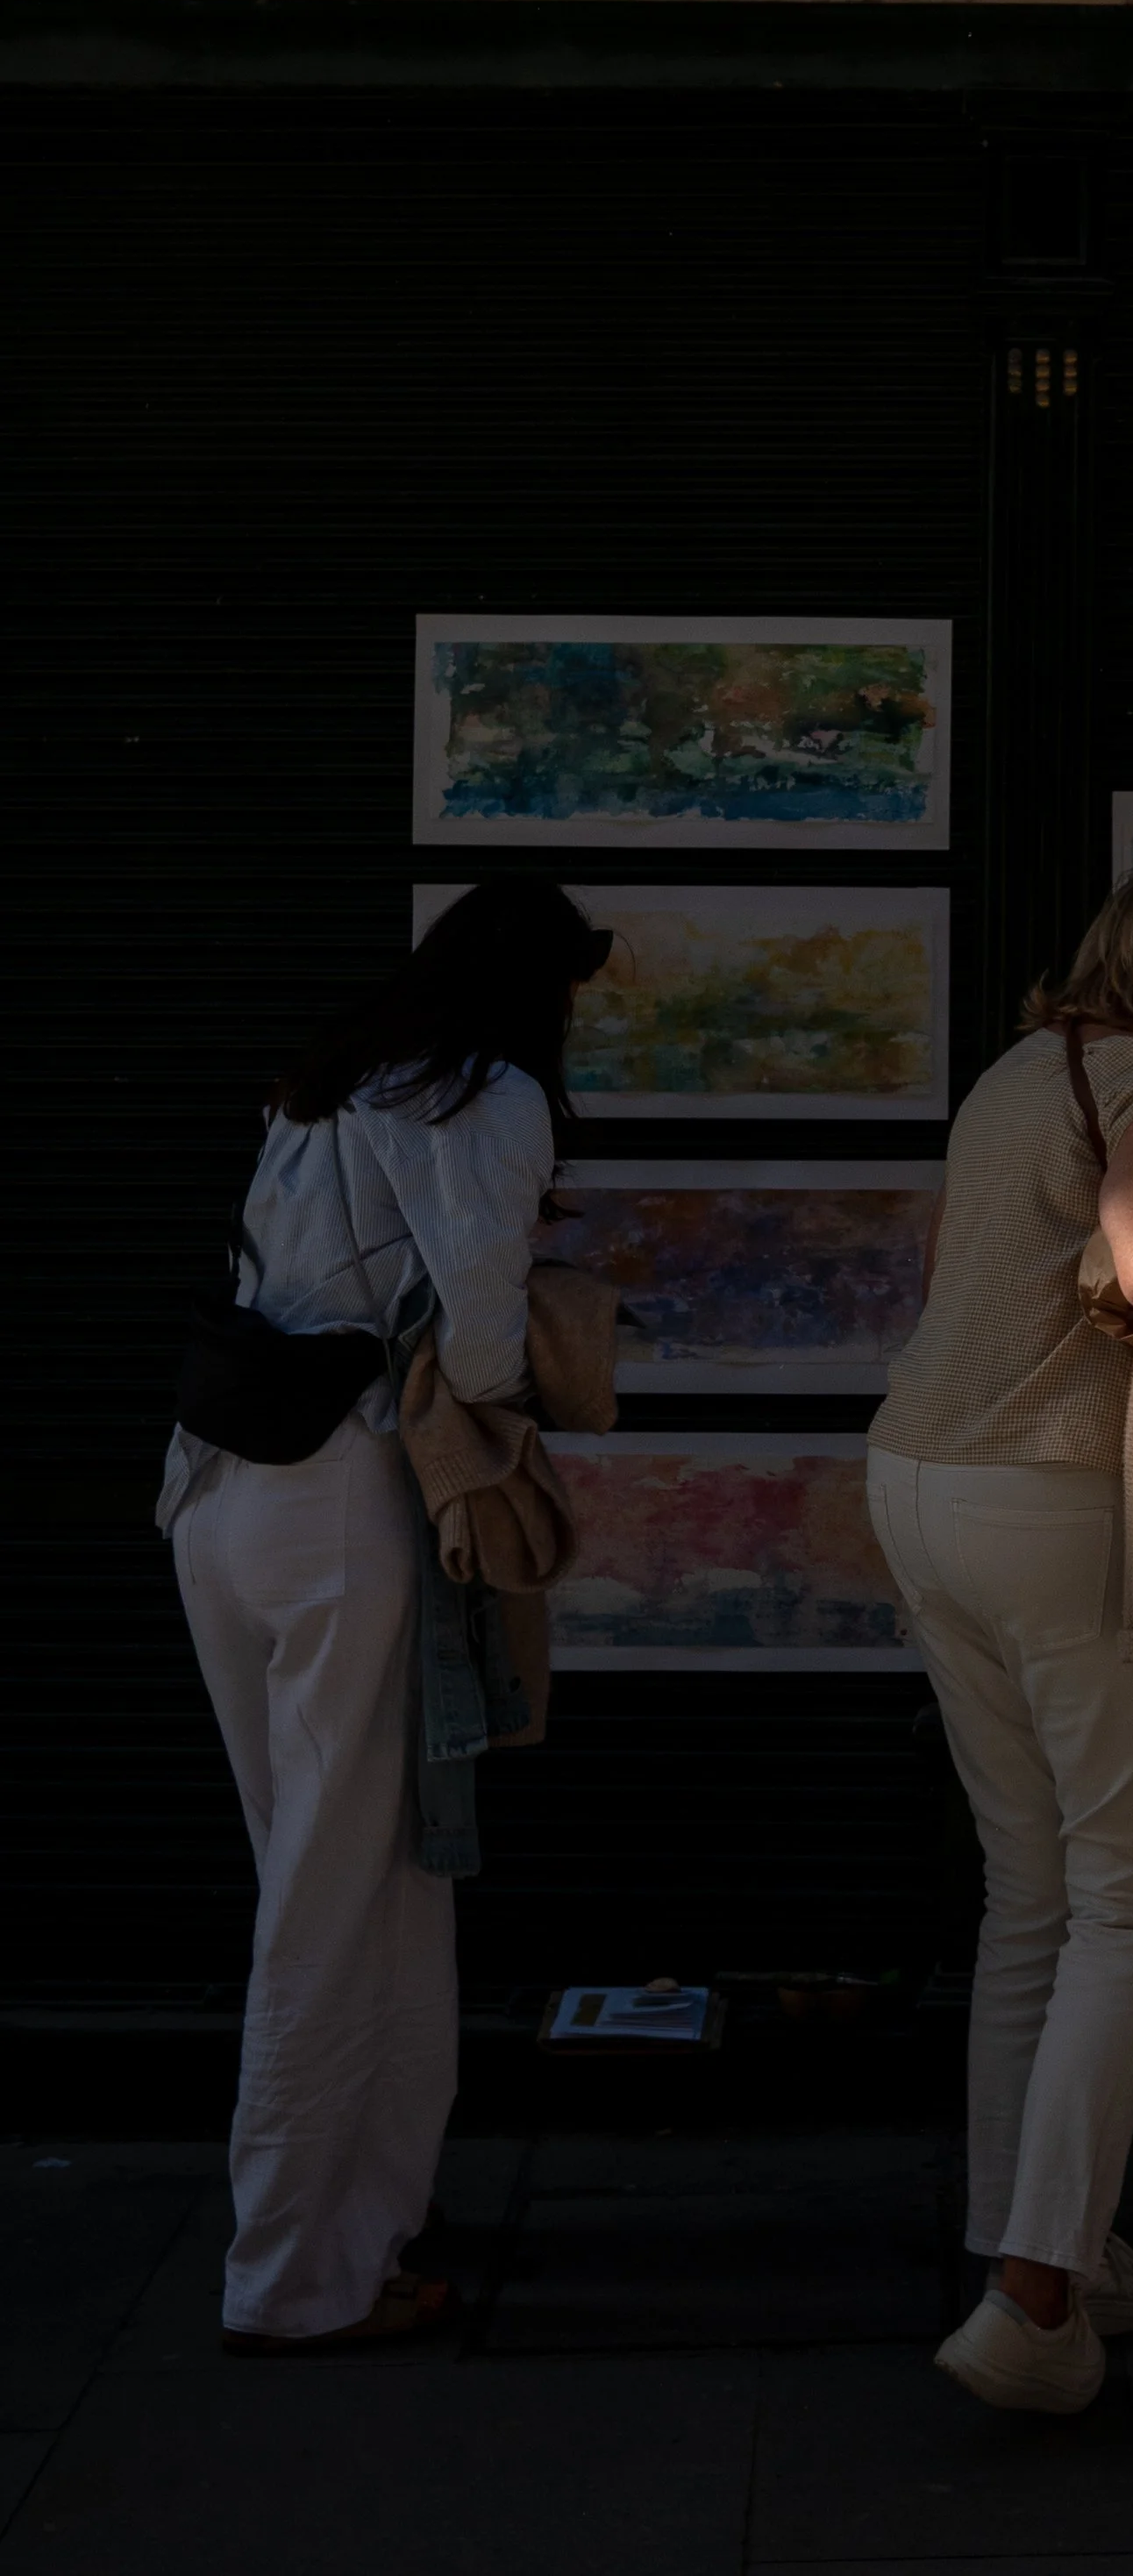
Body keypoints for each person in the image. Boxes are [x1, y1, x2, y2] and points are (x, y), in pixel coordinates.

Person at [159, 876, 608, 2355]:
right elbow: (480, 1316)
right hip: (347, 1495)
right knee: (340, 1894)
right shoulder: (485, 1093)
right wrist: (494, 1393)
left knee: (373, 1870)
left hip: (220, 1489)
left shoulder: (329, 1078)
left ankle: (373, 2212)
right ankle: (292, 2274)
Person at [866, 867, 1133, 2415]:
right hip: (1058, 1503)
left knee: (1031, 1890)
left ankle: (1046, 2241)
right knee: (1130, 1904)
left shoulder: (1013, 1075)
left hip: (921, 1479)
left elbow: (951, 1280)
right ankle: (1036, 2303)